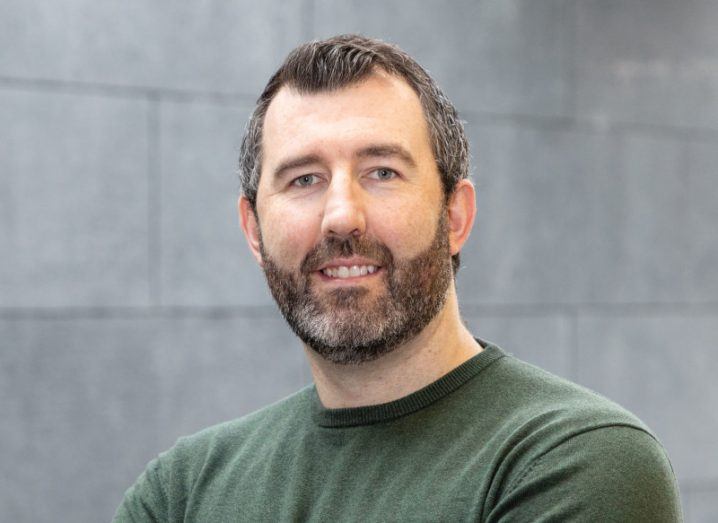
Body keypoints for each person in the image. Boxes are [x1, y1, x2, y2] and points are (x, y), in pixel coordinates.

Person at [114, 34, 682, 522]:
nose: (341, 215)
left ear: (455, 217)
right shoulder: (182, 492)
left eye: (381, 172)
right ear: (254, 231)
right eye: (304, 179)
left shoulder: (573, 461)